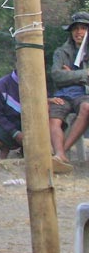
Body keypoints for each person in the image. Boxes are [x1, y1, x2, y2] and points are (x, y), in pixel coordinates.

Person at [48, 11, 89, 172]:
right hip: (63, 94)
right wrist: (83, 74)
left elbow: (66, 76)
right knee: (53, 116)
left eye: (83, 28)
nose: (79, 32)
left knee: (86, 108)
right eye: (76, 29)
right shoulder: (61, 52)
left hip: (84, 94)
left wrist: (70, 73)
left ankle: (61, 152)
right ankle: (60, 155)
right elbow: (57, 76)